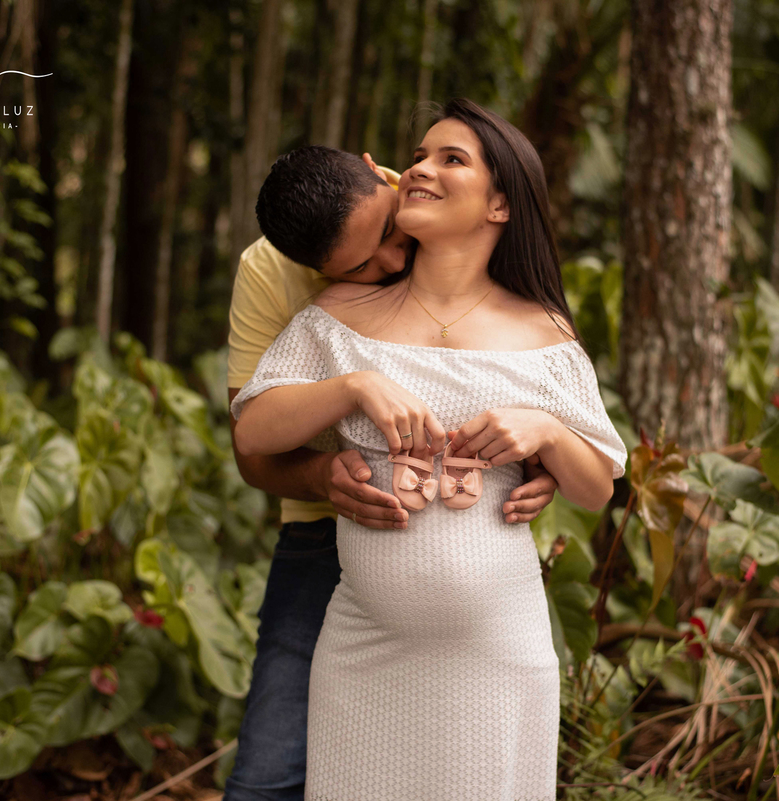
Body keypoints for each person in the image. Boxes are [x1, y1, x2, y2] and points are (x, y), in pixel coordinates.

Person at [231, 99, 626, 800]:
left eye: (449, 159)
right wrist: (354, 388)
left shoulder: (544, 331)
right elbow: (254, 433)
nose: (420, 168)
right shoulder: (332, 312)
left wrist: (548, 434)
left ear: (500, 204)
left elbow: (596, 487)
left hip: (500, 651)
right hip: (363, 644)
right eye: (419, 155)